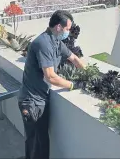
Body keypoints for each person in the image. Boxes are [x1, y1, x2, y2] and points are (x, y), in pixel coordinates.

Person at [18, 10, 85, 159]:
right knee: (35, 143)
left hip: (41, 99)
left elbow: (74, 58)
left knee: (42, 142)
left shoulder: (56, 42)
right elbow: (50, 77)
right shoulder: (43, 43)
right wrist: (73, 85)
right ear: (58, 27)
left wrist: (88, 74)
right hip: (31, 101)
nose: (68, 32)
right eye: (67, 29)